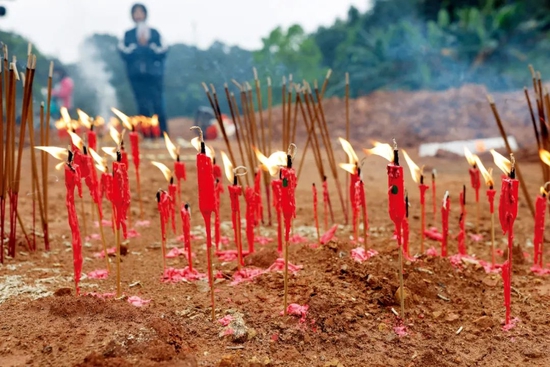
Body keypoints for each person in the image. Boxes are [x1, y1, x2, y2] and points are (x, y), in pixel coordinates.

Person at [118, 3, 168, 135]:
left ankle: (162, 133)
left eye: (141, 12)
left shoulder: (154, 32)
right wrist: (137, 47)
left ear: (145, 14)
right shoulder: (128, 35)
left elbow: (163, 51)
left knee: (158, 103)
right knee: (142, 105)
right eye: (136, 12)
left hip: (154, 75)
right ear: (132, 15)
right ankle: (146, 134)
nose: (138, 15)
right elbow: (123, 52)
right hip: (136, 75)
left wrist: (148, 47)